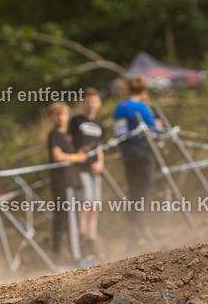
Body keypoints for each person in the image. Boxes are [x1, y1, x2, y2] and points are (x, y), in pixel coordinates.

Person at [112, 76, 164, 229]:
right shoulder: (141, 106)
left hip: (127, 155)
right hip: (143, 153)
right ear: (143, 90)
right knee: (143, 191)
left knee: (133, 192)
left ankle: (133, 229)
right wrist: (158, 123)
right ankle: (139, 231)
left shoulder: (119, 107)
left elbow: (119, 132)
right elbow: (155, 130)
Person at [46, 102, 85, 261]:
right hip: (62, 182)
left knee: (72, 217)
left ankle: (73, 253)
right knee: (63, 218)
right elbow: (57, 156)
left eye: (63, 114)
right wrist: (77, 157)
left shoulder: (66, 136)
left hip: (71, 180)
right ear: (51, 117)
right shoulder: (54, 135)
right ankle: (64, 255)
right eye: (57, 114)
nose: (60, 118)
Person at [70, 88, 105, 259]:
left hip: (94, 170)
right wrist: (75, 156)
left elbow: (100, 146)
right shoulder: (76, 121)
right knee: (85, 204)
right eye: (88, 101)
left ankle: (92, 240)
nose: (91, 105)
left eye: (94, 101)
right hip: (80, 169)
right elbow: (68, 142)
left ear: (99, 104)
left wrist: (100, 163)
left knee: (95, 205)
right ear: (82, 103)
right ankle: (82, 241)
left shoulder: (99, 124)